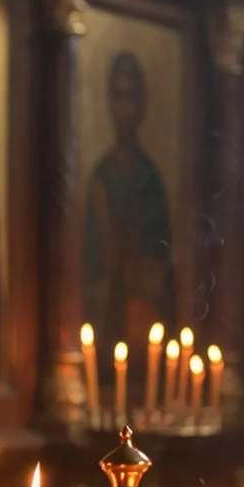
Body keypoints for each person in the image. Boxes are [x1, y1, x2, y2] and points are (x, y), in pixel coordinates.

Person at [82, 51, 176, 349]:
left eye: (132, 98)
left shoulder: (151, 179)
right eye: (119, 97)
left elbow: (161, 264)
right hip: (104, 319)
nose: (125, 108)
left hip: (142, 320)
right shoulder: (100, 178)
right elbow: (88, 264)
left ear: (142, 106)